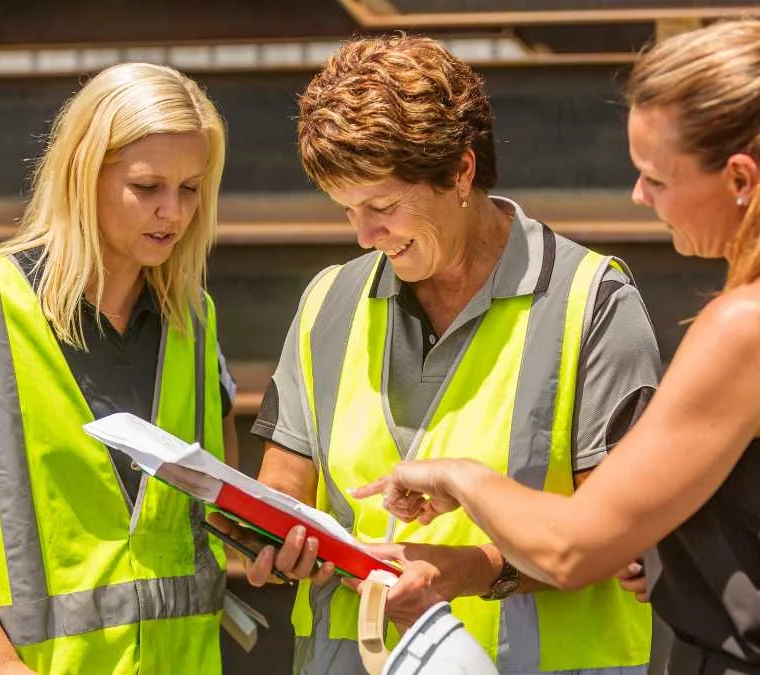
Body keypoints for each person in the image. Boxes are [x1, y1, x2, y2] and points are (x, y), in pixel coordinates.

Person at [359, 9, 760, 674]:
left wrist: (458, 473)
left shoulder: (752, 323)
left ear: (741, 179)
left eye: (656, 177)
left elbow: (570, 548)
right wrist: (688, 561)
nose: (639, 196)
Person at [213, 35, 660, 674]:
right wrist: (272, 540)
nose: (365, 236)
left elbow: (618, 539)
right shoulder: (328, 302)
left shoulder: (591, 302)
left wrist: (467, 572)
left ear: (460, 172)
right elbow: (285, 489)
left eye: (383, 206)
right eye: (347, 210)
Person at [0, 62, 239, 675]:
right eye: (147, 187)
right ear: (82, 175)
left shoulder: (194, 324)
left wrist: (264, 544)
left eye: (190, 188)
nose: (172, 213)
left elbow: (219, 511)